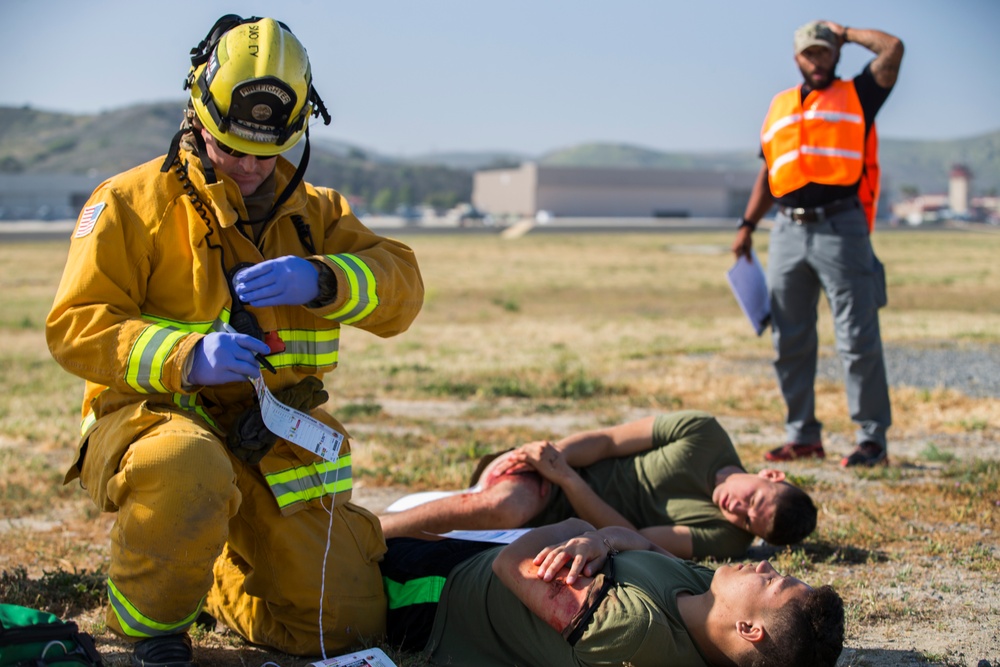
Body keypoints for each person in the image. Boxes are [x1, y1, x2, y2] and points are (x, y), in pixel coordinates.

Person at [45, 15, 424, 666]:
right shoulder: (131, 204)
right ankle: (151, 628)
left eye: (266, 151)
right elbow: (76, 325)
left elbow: (403, 290)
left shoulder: (317, 214)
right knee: (189, 470)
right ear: (197, 116)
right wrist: (187, 356)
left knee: (345, 626)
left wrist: (326, 277)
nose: (250, 166)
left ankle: (222, 580)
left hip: (272, 434)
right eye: (232, 147)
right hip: (157, 419)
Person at [731, 20, 904, 468]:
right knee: (788, 338)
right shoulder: (780, 106)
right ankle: (802, 435)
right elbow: (771, 173)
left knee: (856, 336)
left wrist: (844, 31)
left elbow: (892, 49)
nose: (817, 59)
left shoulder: (859, 95)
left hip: (841, 228)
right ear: (797, 59)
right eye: (810, 53)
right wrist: (747, 224)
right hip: (786, 230)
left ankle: (872, 441)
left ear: (836, 54)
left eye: (825, 51)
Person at [380, 519, 845, 666]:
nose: (765, 565)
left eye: (771, 581)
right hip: (471, 556)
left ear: (748, 629)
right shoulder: (708, 594)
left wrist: (581, 529)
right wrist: (598, 542)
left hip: (437, 597)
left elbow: (512, 566)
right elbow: (638, 541)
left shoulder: (635, 629)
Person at [380, 411, 817, 559]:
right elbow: (607, 440)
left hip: (575, 515)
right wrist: (549, 460)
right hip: (550, 478)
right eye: (752, 499)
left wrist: (567, 481)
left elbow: (633, 538)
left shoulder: (727, 537)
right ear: (771, 475)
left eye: (747, 521)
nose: (736, 509)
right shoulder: (704, 433)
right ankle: (374, 529)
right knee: (507, 507)